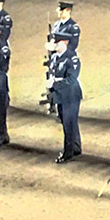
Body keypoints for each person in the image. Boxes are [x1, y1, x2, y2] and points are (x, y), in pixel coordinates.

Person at [45, 32, 83, 163]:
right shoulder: (55, 57)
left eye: (57, 43)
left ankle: (68, 151)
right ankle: (75, 146)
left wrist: (55, 83)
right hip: (61, 95)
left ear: (65, 43)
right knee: (66, 121)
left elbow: (71, 79)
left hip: (71, 95)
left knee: (69, 123)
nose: (54, 45)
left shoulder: (72, 58)